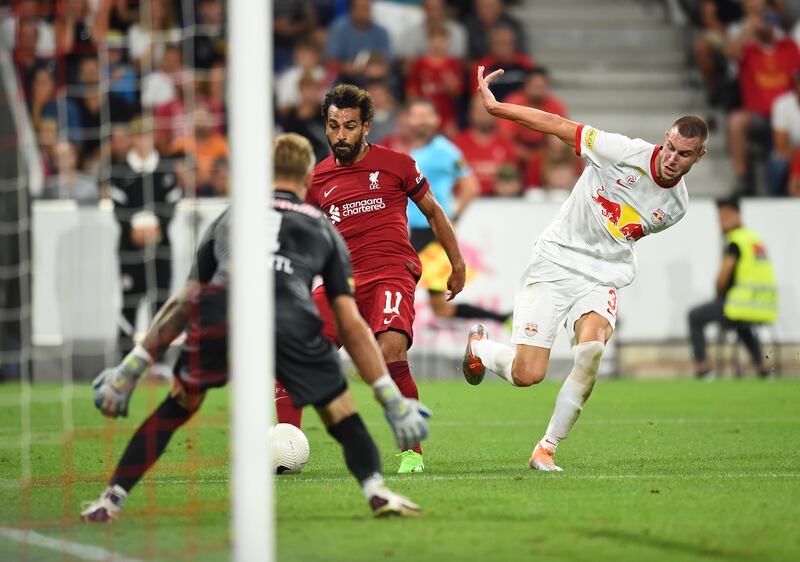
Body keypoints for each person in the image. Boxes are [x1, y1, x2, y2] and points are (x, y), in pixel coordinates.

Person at [81, 133, 430, 522]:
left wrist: (130, 369)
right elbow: (348, 321)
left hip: (225, 313)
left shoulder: (231, 218)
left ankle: (110, 499)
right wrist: (389, 397)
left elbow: (184, 301)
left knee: (176, 406)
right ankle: (377, 492)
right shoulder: (320, 226)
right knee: (340, 412)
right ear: (306, 180)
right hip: (290, 316)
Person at [462, 66, 708, 472]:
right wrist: (498, 108)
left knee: (591, 350)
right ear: (664, 140)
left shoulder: (676, 208)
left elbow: (622, 237)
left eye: (683, 154)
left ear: (699, 156)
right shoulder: (621, 151)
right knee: (527, 375)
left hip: (602, 275)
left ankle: (546, 447)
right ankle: (479, 348)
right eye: (669, 147)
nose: (670, 158)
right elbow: (557, 124)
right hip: (556, 260)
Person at [280, 84, 465, 474]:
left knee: (391, 350)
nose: (340, 135)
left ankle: (412, 452)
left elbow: (433, 212)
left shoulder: (398, 164)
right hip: (340, 281)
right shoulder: (316, 181)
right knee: (295, 352)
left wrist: (457, 263)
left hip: (392, 271)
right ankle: (284, 447)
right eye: (333, 126)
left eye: (349, 126)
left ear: (366, 126)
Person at [406, 98, 508, 323]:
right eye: (417, 114)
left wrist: (451, 218)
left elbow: (471, 186)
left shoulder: (445, 150)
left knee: (396, 285)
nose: (421, 120)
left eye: (426, 115)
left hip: (431, 234)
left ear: (436, 120)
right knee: (439, 308)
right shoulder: (414, 149)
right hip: (415, 231)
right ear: (409, 119)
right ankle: (501, 318)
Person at [109, 118, 182, 369]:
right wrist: (133, 228)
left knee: (161, 302)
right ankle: (124, 360)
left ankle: (159, 361)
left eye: (147, 136)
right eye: (139, 136)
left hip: (161, 247)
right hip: (129, 249)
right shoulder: (119, 170)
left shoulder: (165, 168)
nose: (143, 141)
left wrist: (158, 226)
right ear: (132, 139)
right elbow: (118, 209)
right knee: (129, 301)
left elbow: (172, 204)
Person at [688, 198, 777, 380]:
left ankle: (703, 369)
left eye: (726, 216)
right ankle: (763, 368)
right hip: (765, 306)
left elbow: (723, 277)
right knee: (742, 326)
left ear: (738, 216)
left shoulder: (734, 241)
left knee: (694, 316)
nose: (722, 221)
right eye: (720, 217)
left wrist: (719, 293)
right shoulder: (753, 238)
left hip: (741, 304)